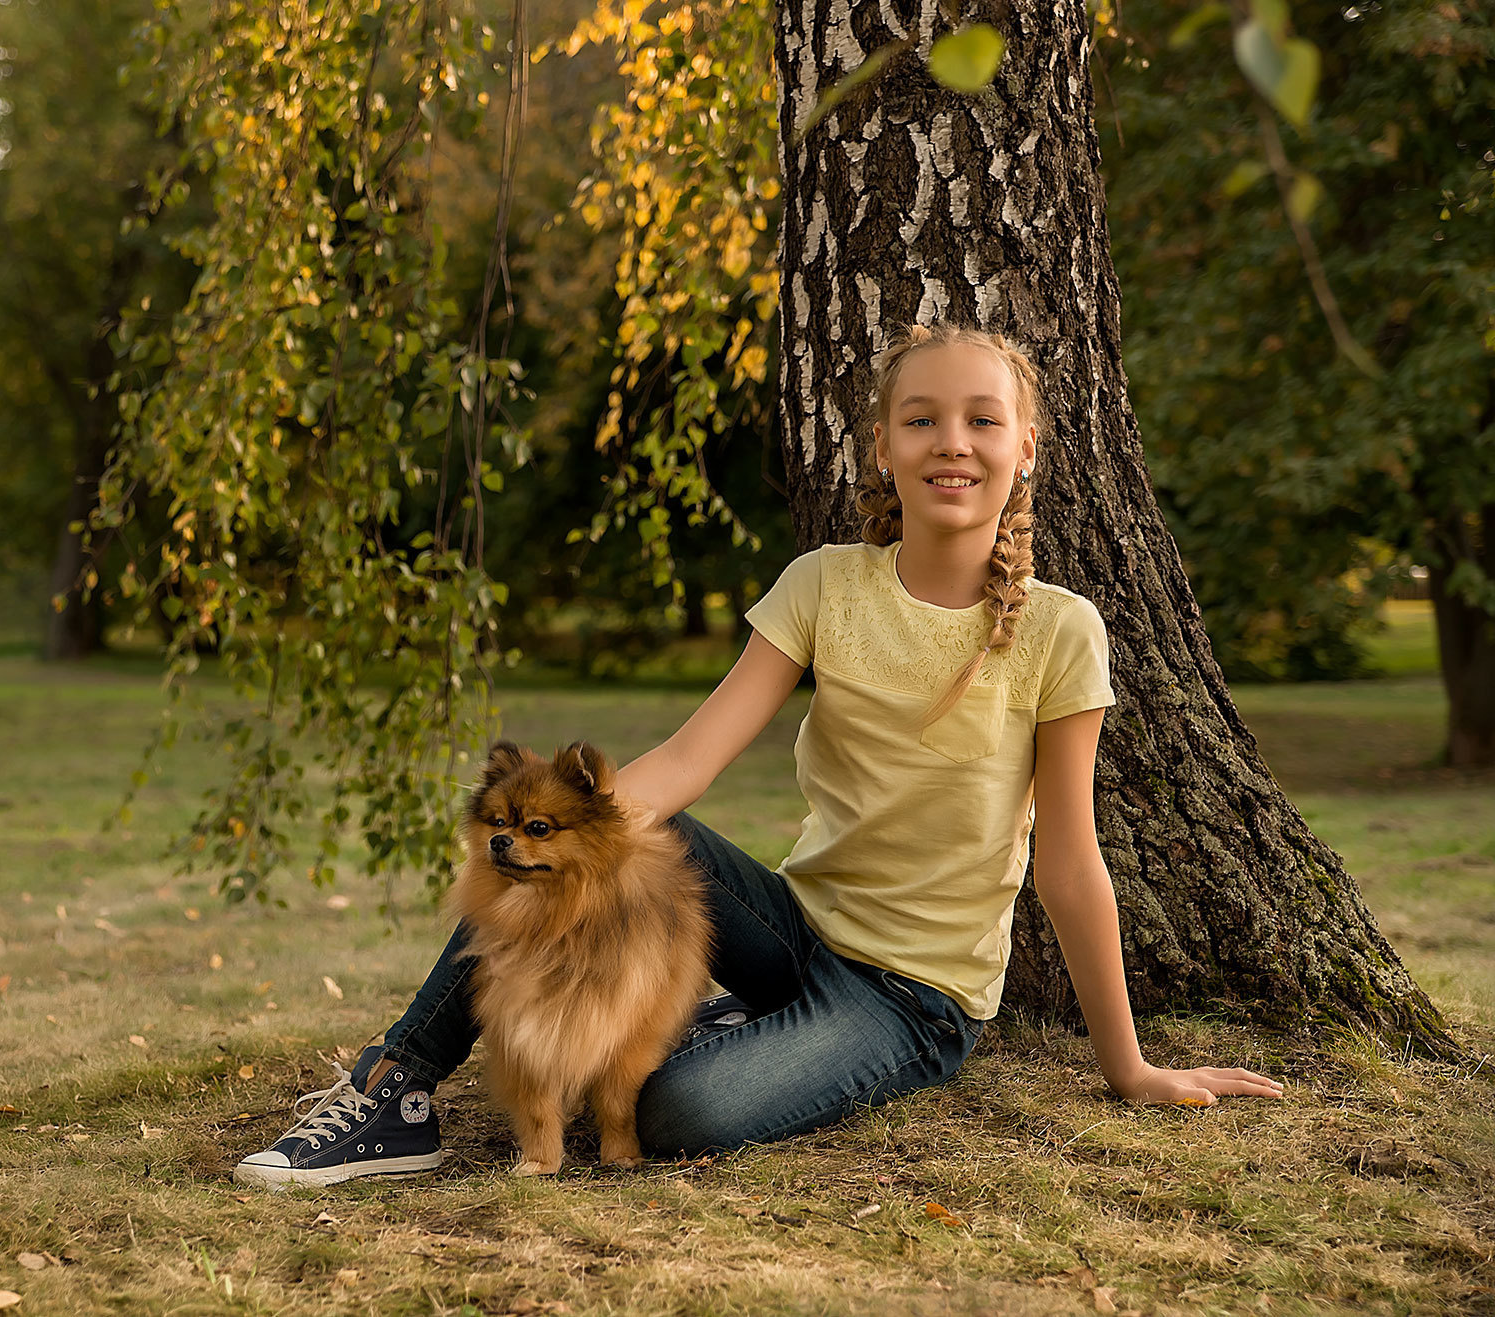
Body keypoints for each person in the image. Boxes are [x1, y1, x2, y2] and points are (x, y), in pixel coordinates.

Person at [235, 322, 1284, 1188]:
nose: (948, 442)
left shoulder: (1059, 630)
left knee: (670, 1107)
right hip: (790, 927)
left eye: (979, 420)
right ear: (880, 446)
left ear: (1025, 449)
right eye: (918, 419)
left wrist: (1130, 1066)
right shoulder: (824, 585)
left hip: (910, 999)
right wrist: (571, 838)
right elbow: (690, 759)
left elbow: (1066, 863)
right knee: (598, 840)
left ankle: (705, 1031)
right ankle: (398, 1084)